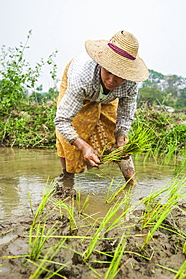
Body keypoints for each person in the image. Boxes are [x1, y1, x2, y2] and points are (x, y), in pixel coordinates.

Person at [54, 30, 149, 187]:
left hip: (107, 96)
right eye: (108, 72)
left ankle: (132, 184)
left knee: (115, 134)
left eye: (119, 76)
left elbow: (125, 115)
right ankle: (67, 181)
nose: (112, 80)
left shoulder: (130, 83)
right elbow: (62, 120)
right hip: (84, 87)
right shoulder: (81, 78)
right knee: (78, 128)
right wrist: (83, 146)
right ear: (100, 64)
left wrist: (121, 139)